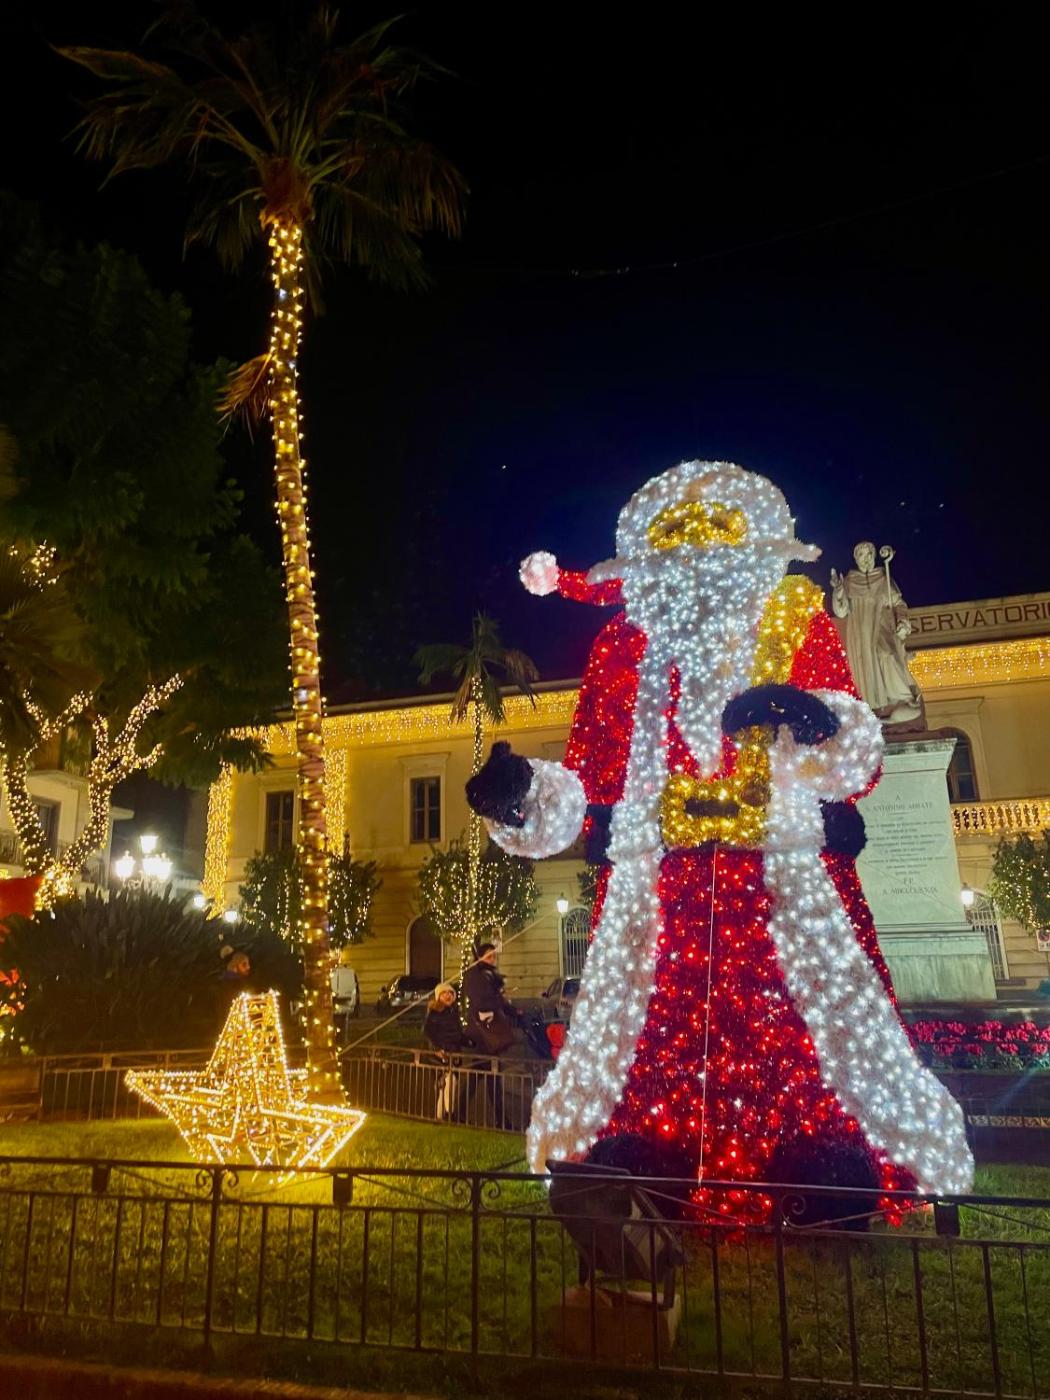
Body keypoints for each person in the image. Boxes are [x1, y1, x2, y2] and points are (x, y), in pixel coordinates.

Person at [466, 459, 972, 1206]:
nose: (696, 562)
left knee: (806, 1021)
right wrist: (522, 802)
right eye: (676, 548)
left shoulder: (796, 622)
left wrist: (813, 718)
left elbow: (857, 761)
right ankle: (647, 1156)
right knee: (649, 1031)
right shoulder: (620, 650)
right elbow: (589, 779)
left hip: (780, 875)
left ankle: (824, 1160)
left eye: (715, 542)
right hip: (657, 887)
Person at [462, 942, 518, 1055]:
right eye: (489, 957)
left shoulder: (489, 973)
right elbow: (481, 1001)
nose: (492, 960)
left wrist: (512, 1010)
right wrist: (501, 999)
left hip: (489, 1025)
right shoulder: (476, 974)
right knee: (484, 1059)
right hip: (482, 1026)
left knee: (491, 1057)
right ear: (480, 957)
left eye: (494, 957)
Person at [330, 947, 359, 1041]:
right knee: (341, 1025)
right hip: (346, 1003)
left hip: (341, 1005)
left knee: (340, 1026)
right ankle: (341, 1040)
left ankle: (340, 1040)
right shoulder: (349, 973)